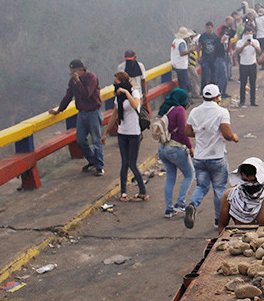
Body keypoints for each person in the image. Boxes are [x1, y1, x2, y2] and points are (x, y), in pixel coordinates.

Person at [184, 84, 239, 229]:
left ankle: (192, 205)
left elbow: (188, 132)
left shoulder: (194, 112)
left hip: (200, 157)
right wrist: (234, 137)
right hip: (216, 157)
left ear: (203, 97)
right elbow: (227, 134)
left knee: (201, 186)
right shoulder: (221, 112)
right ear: (217, 97)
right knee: (219, 189)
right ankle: (218, 219)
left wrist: (202, 132)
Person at [49, 59, 104, 176]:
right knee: (80, 140)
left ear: (80, 70)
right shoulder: (73, 81)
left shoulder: (91, 78)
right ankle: (92, 161)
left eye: (73, 72)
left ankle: (99, 166)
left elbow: (86, 94)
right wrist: (59, 110)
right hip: (81, 113)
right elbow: (68, 96)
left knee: (96, 140)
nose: (72, 75)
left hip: (93, 112)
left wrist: (78, 81)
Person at [101, 71, 147, 201]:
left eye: (117, 83)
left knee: (132, 163)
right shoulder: (118, 97)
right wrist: (105, 133)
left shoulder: (134, 93)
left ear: (124, 83)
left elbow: (135, 105)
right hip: (122, 133)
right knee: (124, 164)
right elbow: (114, 115)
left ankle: (143, 191)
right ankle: (123, 192)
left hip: (134, 133)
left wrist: (126, 93)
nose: (115, 86)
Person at [156, 88, 194, 219]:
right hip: (175, 148)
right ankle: (180, 204)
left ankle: (168, 209)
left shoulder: (165, 108)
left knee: (170, 178)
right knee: (190, 175)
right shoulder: (179, 110)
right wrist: (190, 147)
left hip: (163, 149)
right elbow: (183, 132)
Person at [234, 24, 262, 107]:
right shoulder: (240, 42)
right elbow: (238, 52)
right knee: (243, 84)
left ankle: (252, 101)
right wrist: (244, 45)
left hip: (252, 64)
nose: (249, 35)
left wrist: (253, 45)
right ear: (244, 34)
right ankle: (242, 101)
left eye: (251, 33)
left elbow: (259, 51)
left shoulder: (255, 41)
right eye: (247, 33)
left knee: (253, 83)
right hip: (243, 65)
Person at [198, 22, 225, 94]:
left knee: (214, 75)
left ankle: (213, 90)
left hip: (214, 58)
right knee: (205, 74)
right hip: (205, 58)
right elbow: (199, 46)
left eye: (209, 28)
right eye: (207, 28)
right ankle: (203, 90)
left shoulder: (215, 37)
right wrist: (198, 56)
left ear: (212, 28)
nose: (208, 29)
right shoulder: (202, 36)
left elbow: (218, 48)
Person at [171, 27, 192, 94]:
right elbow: (182, 53)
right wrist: (190, 50)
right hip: (181, 65)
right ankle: (186, 100)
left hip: (176, 64)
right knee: (184, 84)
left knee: (181, 83)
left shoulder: (175, 41)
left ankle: (185, 99)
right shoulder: (181, 42)